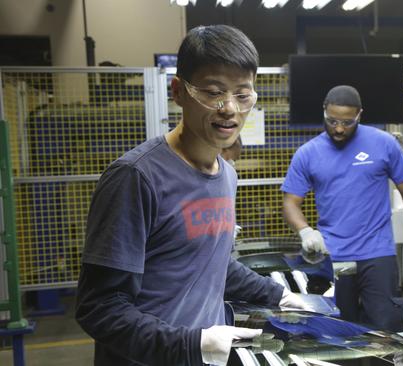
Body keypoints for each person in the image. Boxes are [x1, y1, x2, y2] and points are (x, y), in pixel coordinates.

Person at [76, 25, 307, 366]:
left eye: (243, 95)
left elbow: (209, 262)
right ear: (178, 91)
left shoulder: (227, 175)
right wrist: (192, 344)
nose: (229, 108)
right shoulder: (136, 177)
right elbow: (99, 307)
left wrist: (281, 296)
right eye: (214, 92)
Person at [281, 85, 403, 332]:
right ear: (324, 112)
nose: (339, 128)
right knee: (339, 330)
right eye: (332, 121)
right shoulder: (308, 154)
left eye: (347, 122)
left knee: (385, 330)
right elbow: (290, 202)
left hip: (378, 253)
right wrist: (305, 231)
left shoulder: (384, 144)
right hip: (333, 256)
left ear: (360, 114)